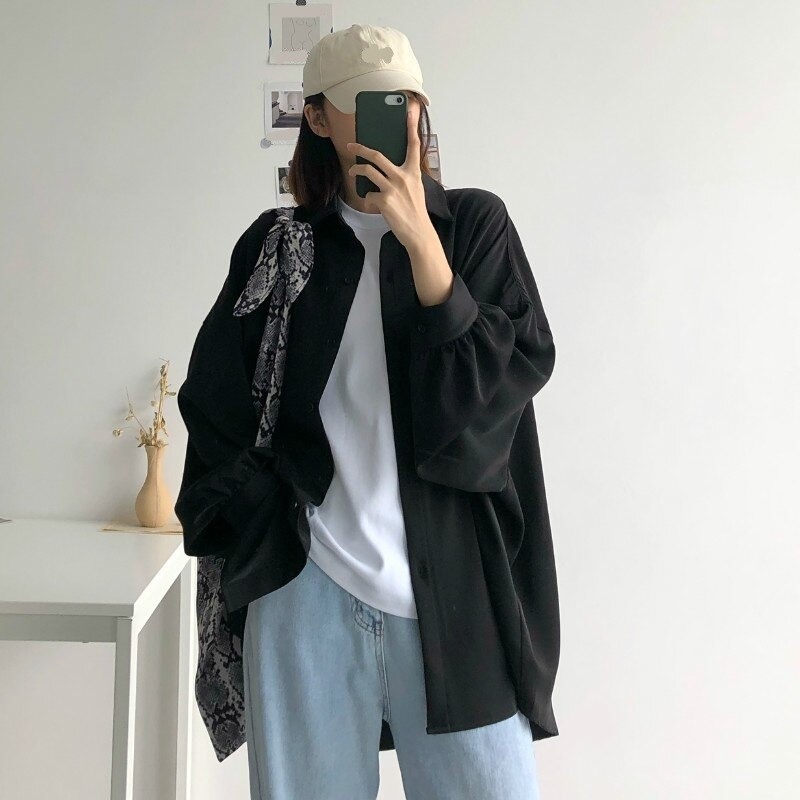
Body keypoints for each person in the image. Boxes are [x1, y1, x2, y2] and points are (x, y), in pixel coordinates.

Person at [179, 23, 559, 800]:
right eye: (371, 103)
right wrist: (265, 528)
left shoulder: (475, 229)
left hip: (455, 593)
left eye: (406, 100)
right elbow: (213, 404)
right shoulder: (278, 247)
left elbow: (496, 398)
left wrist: (423, 247)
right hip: (307, 594)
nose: (397, 118)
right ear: (319, 117)